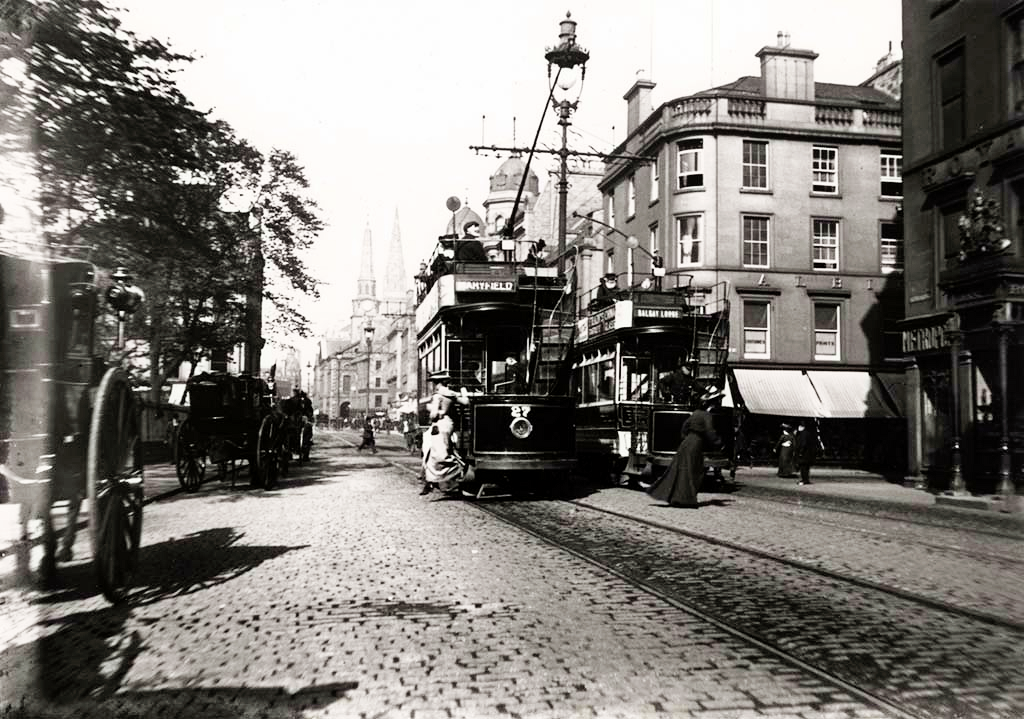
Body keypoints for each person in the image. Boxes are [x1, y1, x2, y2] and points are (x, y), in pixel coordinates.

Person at [648, 386, 724, 508]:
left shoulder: (695, 413)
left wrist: (686, 439)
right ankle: (685, 499)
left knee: (681, 470)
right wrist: (718, 443)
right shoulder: (706, 415)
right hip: (695, 444)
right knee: (694, 471)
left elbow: (684, 427)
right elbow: (710, 432)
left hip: (686, 443)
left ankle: (676, 497)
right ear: (711, 404)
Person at [420, 369, 469, 495]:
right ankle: (432, 482)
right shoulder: (450, 393)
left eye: (434, 382)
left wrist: (430, 408)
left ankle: (458, 473)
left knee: (438, 454)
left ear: (437, 382)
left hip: (439, 425)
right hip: (449, 424)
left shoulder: (437, 395)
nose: (433, 384)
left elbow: (433, 415)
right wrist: (464, 392)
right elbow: (466, 402)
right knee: (438, 452)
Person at [793, 419, 822, 485]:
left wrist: (800, 452)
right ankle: (806, 480)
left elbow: (803, 444)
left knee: (803, 469)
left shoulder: (803, 434)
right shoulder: (807, 433)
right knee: (806, 468)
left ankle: (804, 480)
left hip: (804, 454)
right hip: (807, 454)